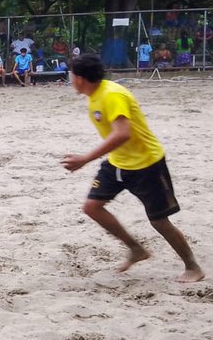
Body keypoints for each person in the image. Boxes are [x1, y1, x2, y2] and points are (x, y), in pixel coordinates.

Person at [61, 54, 204, 283]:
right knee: (92, 207)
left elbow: (123, 133)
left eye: (70, 75)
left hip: (146, 165)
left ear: (79, 78)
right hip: (118, 162)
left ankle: (192, 266)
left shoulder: (111, 95)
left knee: (159, 221)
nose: (69, 79)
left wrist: (85, 158)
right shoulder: (95, 95)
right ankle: (136, 249)